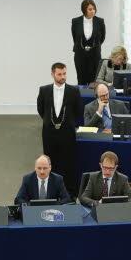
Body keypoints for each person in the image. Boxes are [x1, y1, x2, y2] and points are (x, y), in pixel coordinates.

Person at [37, 62, 83, 197]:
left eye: (64, 74)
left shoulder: (73, 91)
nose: (62, 77)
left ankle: (69, 194)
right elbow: (41, 110)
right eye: (59, 74)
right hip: (49, 133)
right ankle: (51, 192)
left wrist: (68, 122)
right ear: (52, 74)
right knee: (50, 162)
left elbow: (78, 111)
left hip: (67, 133)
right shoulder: (44, 90)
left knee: (68, 163)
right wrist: (50, 121)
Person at [71, 0, 105, 85]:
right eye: (90, 9)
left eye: (94, 9)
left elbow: (102, 38)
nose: (93, 11)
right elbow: (75, 38)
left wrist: (93, 46)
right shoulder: (75, 21)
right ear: (84, 9)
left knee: (94, 80)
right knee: (81, 78)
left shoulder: (100, 21)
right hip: (80, 55)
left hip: (95, 55)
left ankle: (94, 98)